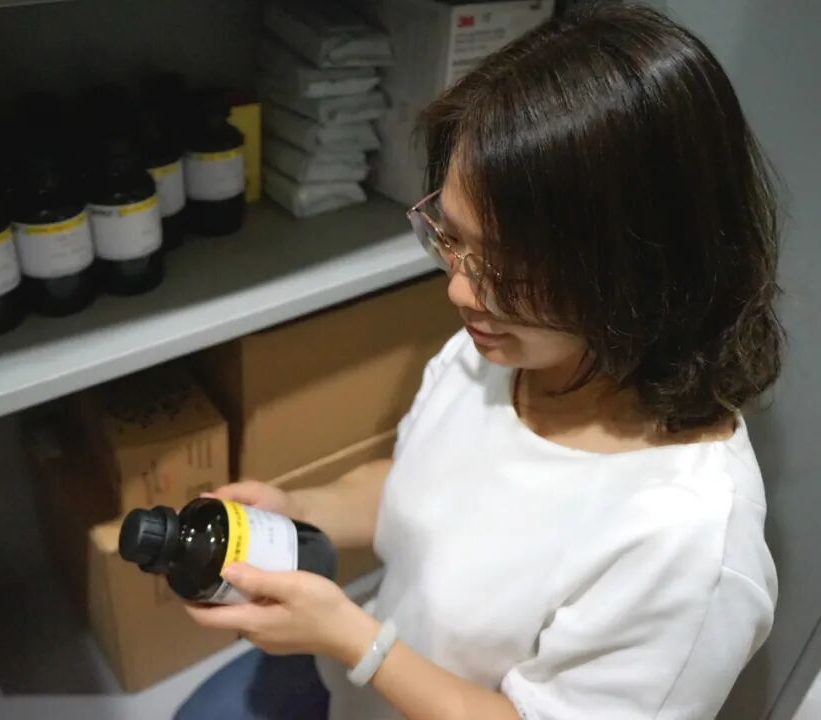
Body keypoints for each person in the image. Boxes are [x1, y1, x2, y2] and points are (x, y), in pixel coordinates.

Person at [178, 3, 783, 718]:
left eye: (510, 268)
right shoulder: (510, 352)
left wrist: (356, 642)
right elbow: (423, 487)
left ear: (643, 270)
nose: (461, 290)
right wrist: (296, 511)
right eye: (453, 238)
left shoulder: (688, 545)